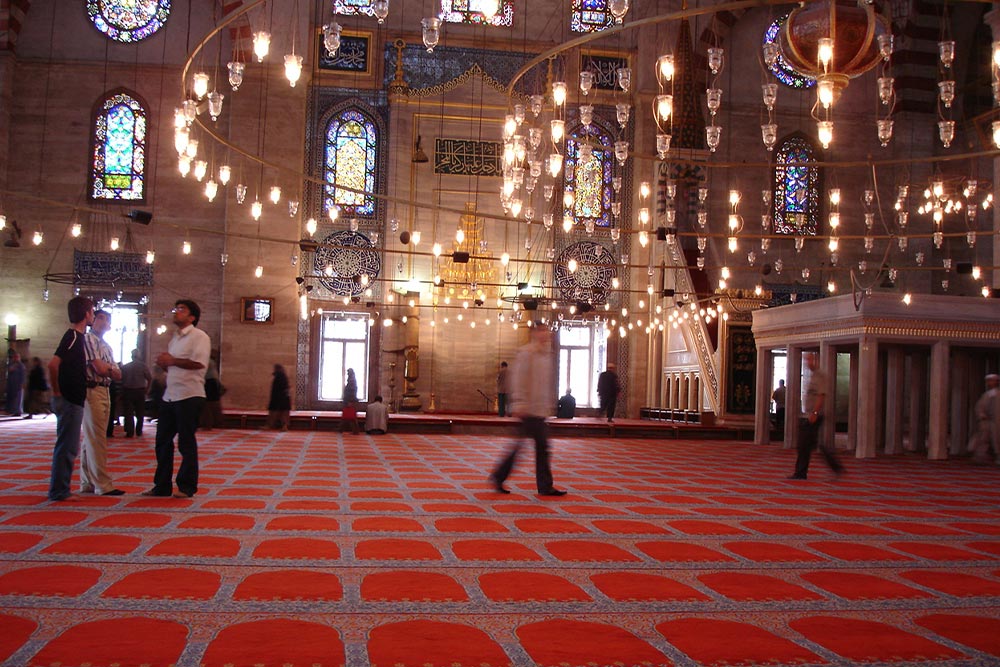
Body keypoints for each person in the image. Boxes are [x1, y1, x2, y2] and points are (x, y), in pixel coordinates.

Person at [142, 299, 211, 499]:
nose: (176, 312)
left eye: (181, 309)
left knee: (186, 443)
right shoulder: (175, 339)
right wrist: (166, 364)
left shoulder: (199, 337)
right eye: (176, 308)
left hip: (190, 395)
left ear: (192, 317)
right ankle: (161, 486)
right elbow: (175, 365)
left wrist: (172, 360)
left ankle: (186, 486)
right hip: (170, 397)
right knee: (162, 441)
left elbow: (199, 364)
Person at [489, 323, 567, 497]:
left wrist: (548, 406)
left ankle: (500, 476)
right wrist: (519, 402)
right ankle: (542, 485)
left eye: (547, 330)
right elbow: (518, 379)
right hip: (528, 409)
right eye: (542, 331)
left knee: (531, 447)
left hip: (539, 409)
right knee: (535, 447)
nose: (546, 334)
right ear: (535, 333)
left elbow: (545, 384)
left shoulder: (547, 356)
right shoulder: (527, 353)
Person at [48, 297, 104, 501]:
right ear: (86, 314)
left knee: (67, 446)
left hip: (74, 399)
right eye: (91, 311)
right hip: (69, 400)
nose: (93, 315)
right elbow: (53, 365)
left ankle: (59, 489)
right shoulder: (72, 336)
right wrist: (56, 393)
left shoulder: (79, 338)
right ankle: (59, 491)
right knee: (67, 447)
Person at [79, 309, 124, 496]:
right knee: (96, 437)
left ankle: (87, 482)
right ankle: (102, 485)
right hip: (92, 389)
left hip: (105, 390)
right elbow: (98, 368)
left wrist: (109, 370)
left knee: (91, 438)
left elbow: (118, 374)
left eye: (106, 320)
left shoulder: (106, 346)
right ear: (93, 321)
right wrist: (109, 369)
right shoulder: (88, 339)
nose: (103, 322)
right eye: (100, 318)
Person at [789, 352, 843, 480]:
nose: (807, 363)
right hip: (809, 415)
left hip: (814, 416)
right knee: (811, 445)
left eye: (809, 360)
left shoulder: (820, 376)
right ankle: (834, 467)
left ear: (816, 360)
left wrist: (814, 413)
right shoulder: (813, 376)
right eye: (806, 360)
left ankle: (801, 473)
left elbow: (821, 395)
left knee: (804, 444)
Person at [969, 374, 1000, 464]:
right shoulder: (987, 394)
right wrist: (981, 415)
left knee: (997, 439)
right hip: (988, 421)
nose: (990, 383)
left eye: (992, 380)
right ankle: (980, 457)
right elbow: (980, 407)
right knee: (983, 439)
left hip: (997, 422)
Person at [120, 349, 151, 437]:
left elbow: (120, 379)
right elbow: (149, 378)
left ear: (131, 356)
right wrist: (147, 389)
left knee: (128, 413)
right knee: (140, 412)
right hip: (140, 391)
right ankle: (139, 431)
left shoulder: (125, 367)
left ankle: (130, 432)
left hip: (128, 391)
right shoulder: (143, 366)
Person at [201, 350, 224, 429]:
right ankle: (217, 423)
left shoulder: (206, 361)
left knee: (207, 404)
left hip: (208, 383)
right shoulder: (211, 362)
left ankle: (207, 424)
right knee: (214, 404)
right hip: (213, 383)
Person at [268, 364, 291, 430]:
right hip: (283, 398)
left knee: (280, 413)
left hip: (280, 398)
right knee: (283, 413)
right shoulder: (282, 376)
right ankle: (283, 426)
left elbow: (278, 389)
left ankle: (272, 425)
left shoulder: (279, 376)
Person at [5, 351, 25, 415]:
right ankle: (12, 410)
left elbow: (23, 375)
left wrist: (22, 383)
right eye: (14, 357)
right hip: (12, 384)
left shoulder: (21, 366)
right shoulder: (11, 364)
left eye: (17, 357)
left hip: (18, 385)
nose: (15, 358)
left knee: (18, 398)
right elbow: (9, 371)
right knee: (12, 398)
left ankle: (18, 411)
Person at [341, 368, 359, 434]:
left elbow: (351, 392)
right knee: (349, 417)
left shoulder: (352, 381)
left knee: (351, 417)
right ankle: (342, 429)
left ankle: (355, 431)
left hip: (350, 401)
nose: (347, 374)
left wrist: (350, 401)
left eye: (348, 373)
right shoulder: (352, 380)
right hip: (349, 400)